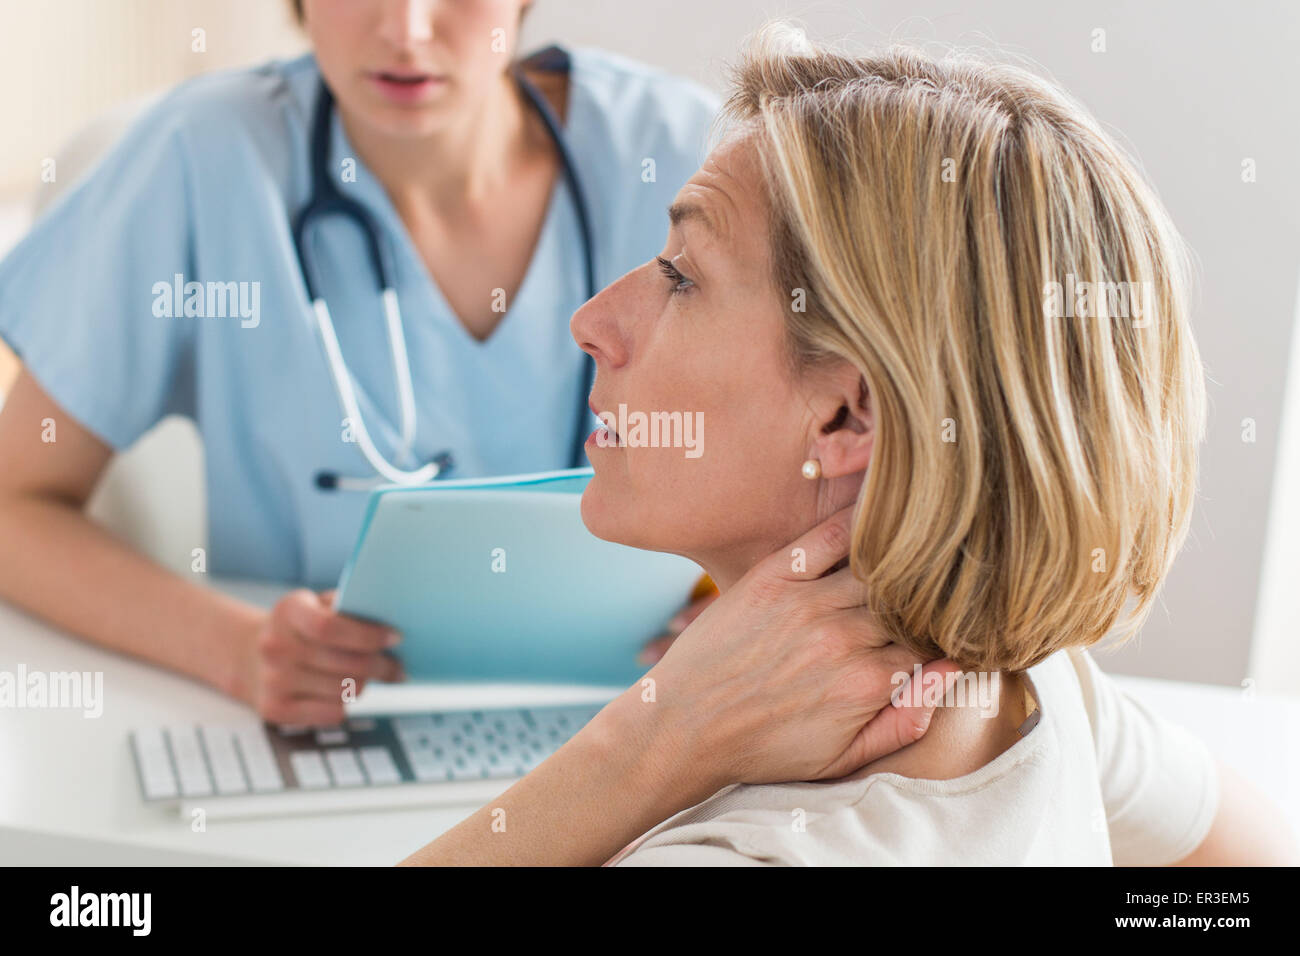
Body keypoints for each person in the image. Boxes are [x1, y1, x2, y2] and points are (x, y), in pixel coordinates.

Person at [398, 23, 1300, 866]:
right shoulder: (1032, 693)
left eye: (681, 277)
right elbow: (1250, 854)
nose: (592, 323)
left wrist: (648, 741)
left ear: (845, 419)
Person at [0, 0, 726, 725]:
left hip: (641, 723)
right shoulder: (203, 156)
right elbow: (14, 507)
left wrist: (740, 603)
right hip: (324, 730)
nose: (407, 30)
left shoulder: (688, 154)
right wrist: (238, 650)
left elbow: (824, 460)